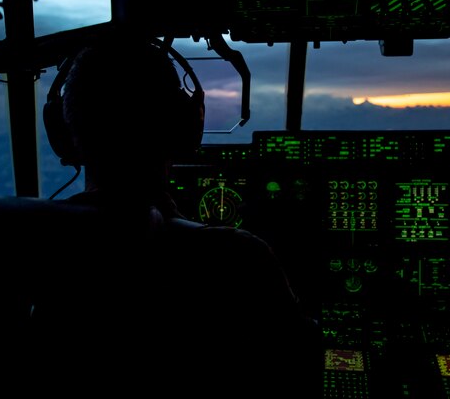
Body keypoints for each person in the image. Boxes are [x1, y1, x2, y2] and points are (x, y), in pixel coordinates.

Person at [40, 30, 322, 397]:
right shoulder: (239, 258)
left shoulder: (27, 251)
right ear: (185, 128)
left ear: (62, 133)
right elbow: (301, 368)